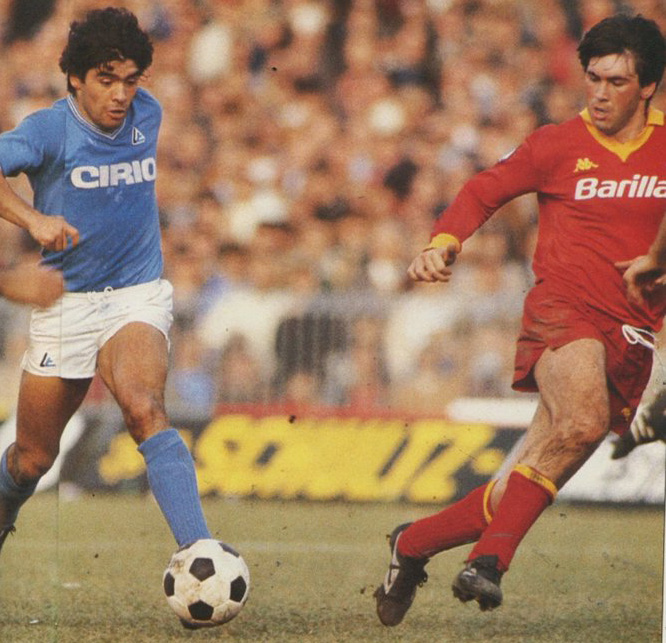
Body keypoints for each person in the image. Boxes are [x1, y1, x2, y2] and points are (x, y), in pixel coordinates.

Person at [374, 13, 666, 625]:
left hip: (634, 332)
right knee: (582, 420)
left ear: (648, 86)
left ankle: (412, 543)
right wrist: (444, 242)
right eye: (593, 79)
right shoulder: (557, 144)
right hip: (564, 312)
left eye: (616, 82)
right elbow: (485, 189)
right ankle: (489, 562)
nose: (600, 93)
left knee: (526, 478)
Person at [0, 7, 212, 570]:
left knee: (144, 406)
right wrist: (33, 220)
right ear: (75, 78)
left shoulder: (149, 113)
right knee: (30, 459)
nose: (121, 94)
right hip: (66, 304)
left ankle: (200, 553)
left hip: (135, 294)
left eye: (130, 80)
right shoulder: (49, 130)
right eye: (106, 79)